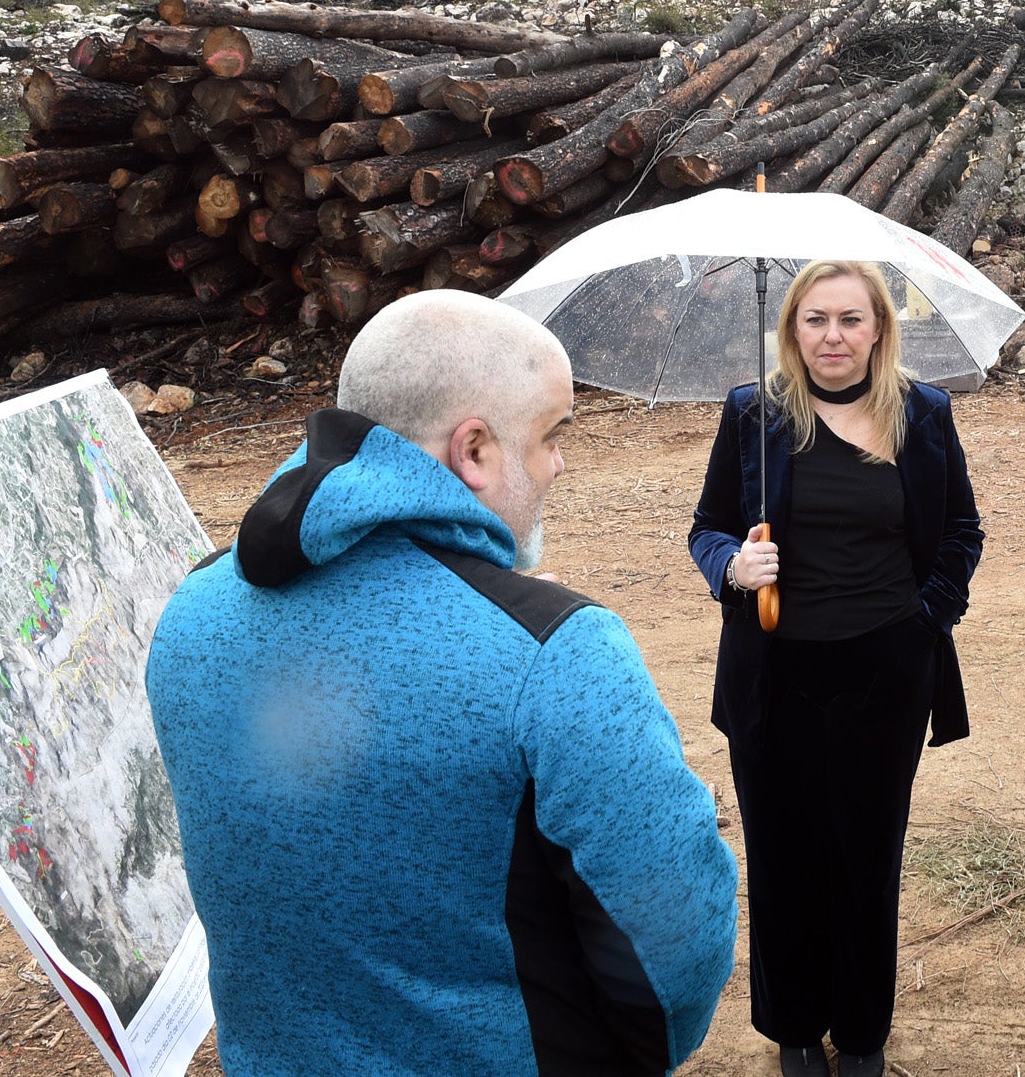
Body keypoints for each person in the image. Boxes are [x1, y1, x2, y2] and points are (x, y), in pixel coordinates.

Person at [146, 290, 737, 1077]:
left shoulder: (190, 608)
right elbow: (676, 938)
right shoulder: (562, 653)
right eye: (551, 434)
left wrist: (499, 612)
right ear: (475, 450)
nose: (560, 462)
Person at [689, 260, 983, 1077]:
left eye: (851, 319)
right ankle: (793, 1028)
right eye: (816, 319)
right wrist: (732, 570)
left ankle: (860, 1033)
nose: (833, 336)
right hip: (774, 673)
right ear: (791, 329)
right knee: (783, 853)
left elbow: (961, 532)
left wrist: (925, 620)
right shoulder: (754, 414)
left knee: (865, 853)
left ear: (880, 328)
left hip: (885, 672)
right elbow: (709, 525)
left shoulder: (923, 414)